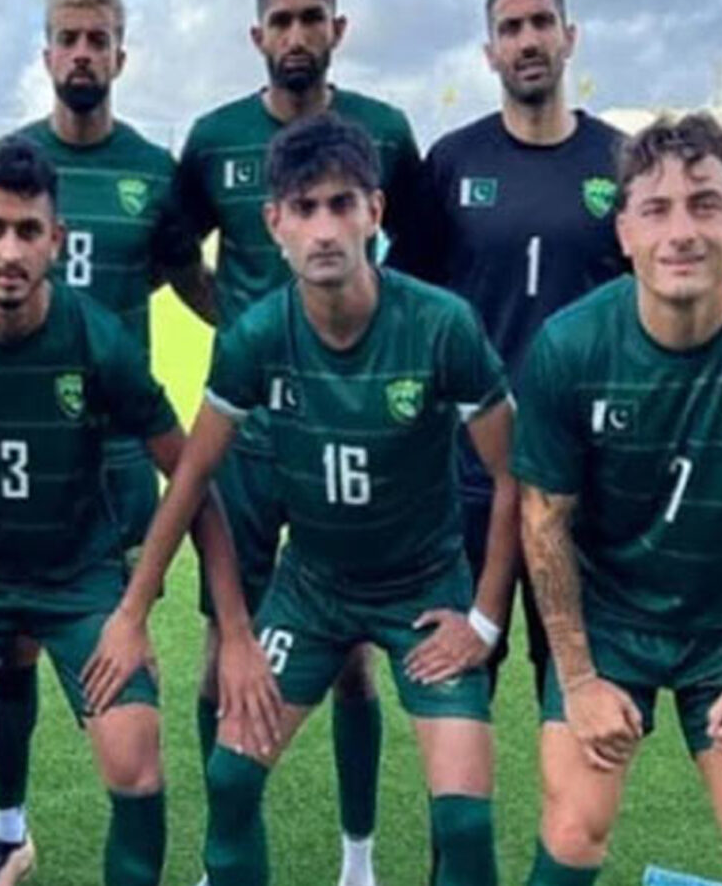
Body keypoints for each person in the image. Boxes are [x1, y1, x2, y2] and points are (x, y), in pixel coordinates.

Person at [139, 114, 513, 886]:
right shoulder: (255, 337)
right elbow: (193, 478)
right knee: (231, 780)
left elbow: (518, 476)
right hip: (310, 590)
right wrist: (147, 614)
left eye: (342, 204)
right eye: (304, 208)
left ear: (375, 211)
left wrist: (482, 619)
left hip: (424, 590)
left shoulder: (441, 325)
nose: (324, 228)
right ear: (273, 222)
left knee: (465, 824)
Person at [0, 136, 235, 886]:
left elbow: (192, 478)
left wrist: (134, 612)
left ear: (55, 241)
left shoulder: (98, 340)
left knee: (136, 762)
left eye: (28, 231)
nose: (10, 251)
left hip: (79, 579)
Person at [515, 112, 722, 886]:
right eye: (656, 209)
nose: (681, 232)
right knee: (572, 828)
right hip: (610, 618)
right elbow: (545, 520)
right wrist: (580, 680)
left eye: (705, 204)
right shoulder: (570, 346)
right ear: (625, 231)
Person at [173, 0, 424, 885]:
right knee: (222, 648)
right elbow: (177, 254)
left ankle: (358, 859)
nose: (296, 35)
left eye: (311, 18)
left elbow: (418, 252)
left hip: (351, 433)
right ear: (256, 36)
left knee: (352, 653)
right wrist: (243, 330)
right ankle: (225, 854)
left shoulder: (384, 132)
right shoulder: (214, 139)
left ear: (338, 29)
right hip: (248, 440)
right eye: (279, 21)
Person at [0, 0, 215, 885]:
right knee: (14, 640)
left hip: (118, 454)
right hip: (18, 447)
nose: (82, 53)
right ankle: (8, 830)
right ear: (46, 53)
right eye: (68, 39)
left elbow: (185, 279)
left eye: (97, 39)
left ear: (121, 53)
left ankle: (138, 824)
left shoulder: (153, 170)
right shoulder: (10, 160)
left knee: (124, 634)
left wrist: (271, 333)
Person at [391, 0, 626, 702]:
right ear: (490, 51)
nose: (528, 40)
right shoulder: (453, 161)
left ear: (570, 37)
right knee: (458, 680)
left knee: (580, 683)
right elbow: (406, 301)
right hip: (469, 475)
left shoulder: (620, 162)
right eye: (510, 28)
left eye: (541, 23)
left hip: (583, 472)